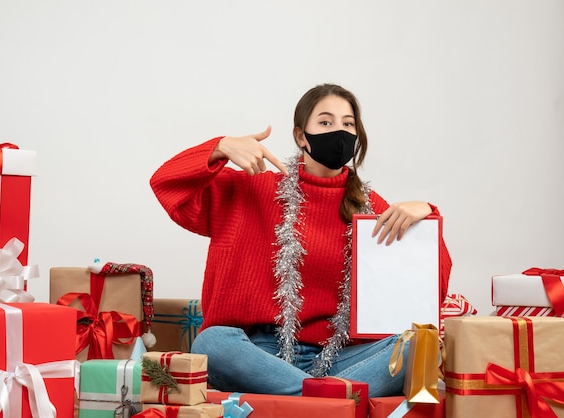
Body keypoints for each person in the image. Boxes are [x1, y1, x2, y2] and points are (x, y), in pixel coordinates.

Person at [150, 83, 452, 397]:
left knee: (417, 346)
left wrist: (426, 213)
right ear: (300, 136)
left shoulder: (369, 207)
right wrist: (220, 147)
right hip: (260, 355)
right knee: (212, 344)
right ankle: (329, 401)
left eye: (348, 124)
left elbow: (430, 289)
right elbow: (166, 184)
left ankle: (311, 401)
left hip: (339, 357)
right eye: (325, 122)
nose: (339, 131)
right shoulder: (250, 190)